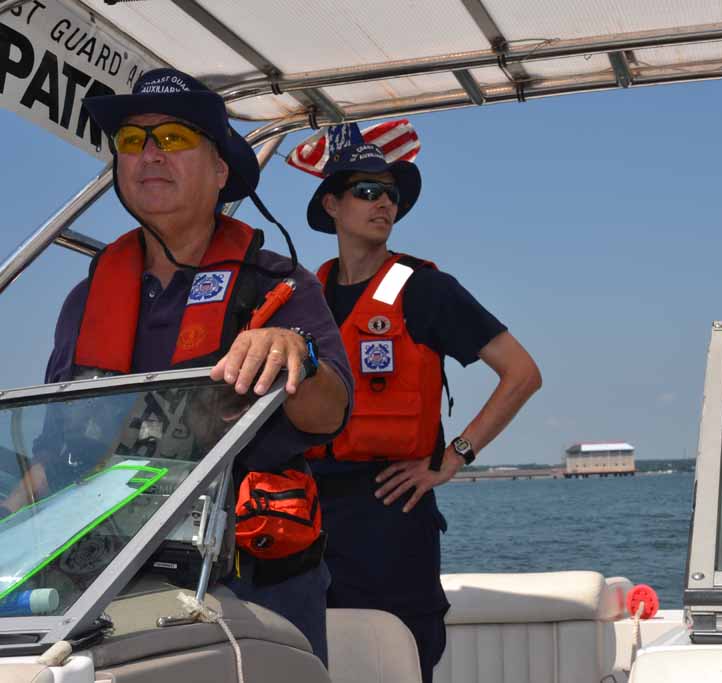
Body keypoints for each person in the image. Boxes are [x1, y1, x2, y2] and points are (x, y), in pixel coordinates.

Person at [12, 68, 353, 667]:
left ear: (221, 170)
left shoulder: (280, 287)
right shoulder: (85, 300)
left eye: (171, 139)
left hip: (249, 591)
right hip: (105, 591)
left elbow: (332, 413)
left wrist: (294, 347)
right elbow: (51, 459)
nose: (148, 155)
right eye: (132, 141)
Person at [303, 129, 542, 682]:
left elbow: (522, 374)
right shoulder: (305, 296)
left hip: (393, 512)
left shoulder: (426, 290)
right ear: (332, 204)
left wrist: (454, 456)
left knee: (402, 656)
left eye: (391, 193)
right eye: (366, 190)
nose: (384, 202)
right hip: (312, 517)